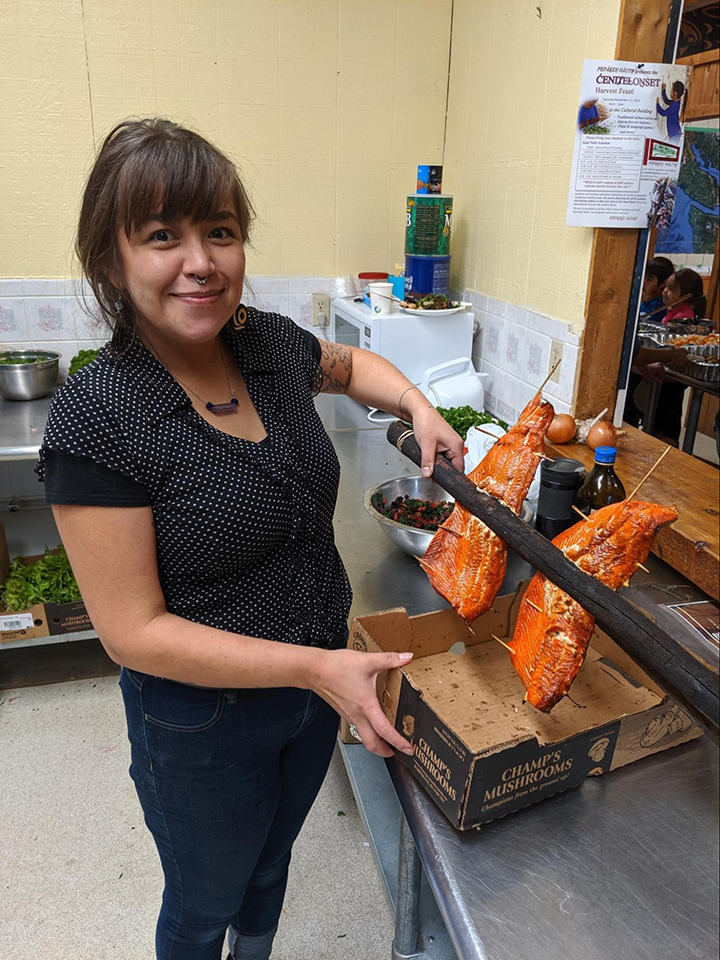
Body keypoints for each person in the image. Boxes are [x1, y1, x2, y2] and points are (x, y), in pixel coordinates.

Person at [35, 118, 464, 960]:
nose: (202, 261)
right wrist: (315, 669)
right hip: (203, 722)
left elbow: (348, 366)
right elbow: (132, 633)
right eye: (163, 236)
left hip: (314, 690)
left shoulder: (262, 343)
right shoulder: (100, 418)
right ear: (111, 261)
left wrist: (417, 402)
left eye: (221, 232)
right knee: (204, 903)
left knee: (270, 867)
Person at [640, 256, 674, 322]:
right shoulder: (645, 301)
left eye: (649, 280)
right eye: (643, 277)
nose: (643, 282)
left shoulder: (659, 305)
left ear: (663, 283)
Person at [656, 79, 687, 144]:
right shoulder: (676, 102)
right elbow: (667, 101)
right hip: (674, 133)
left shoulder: (674, 106)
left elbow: (663, 113)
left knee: (671, 147)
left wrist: (657, 104)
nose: (670, 91)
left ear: (675, 93)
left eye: (671, 90)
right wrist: (663, 90)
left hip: (674, 135)